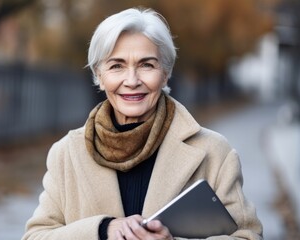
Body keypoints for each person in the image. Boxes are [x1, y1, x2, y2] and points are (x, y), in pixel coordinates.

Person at [22, 7, 263, 240]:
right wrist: (103, 230)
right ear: (99, 75)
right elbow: (36, 236)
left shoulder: (215, 153)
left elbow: (248, 236)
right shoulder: (67, 153)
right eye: (116, 66)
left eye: (146, 65)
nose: (132, 80)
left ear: (165, 73)